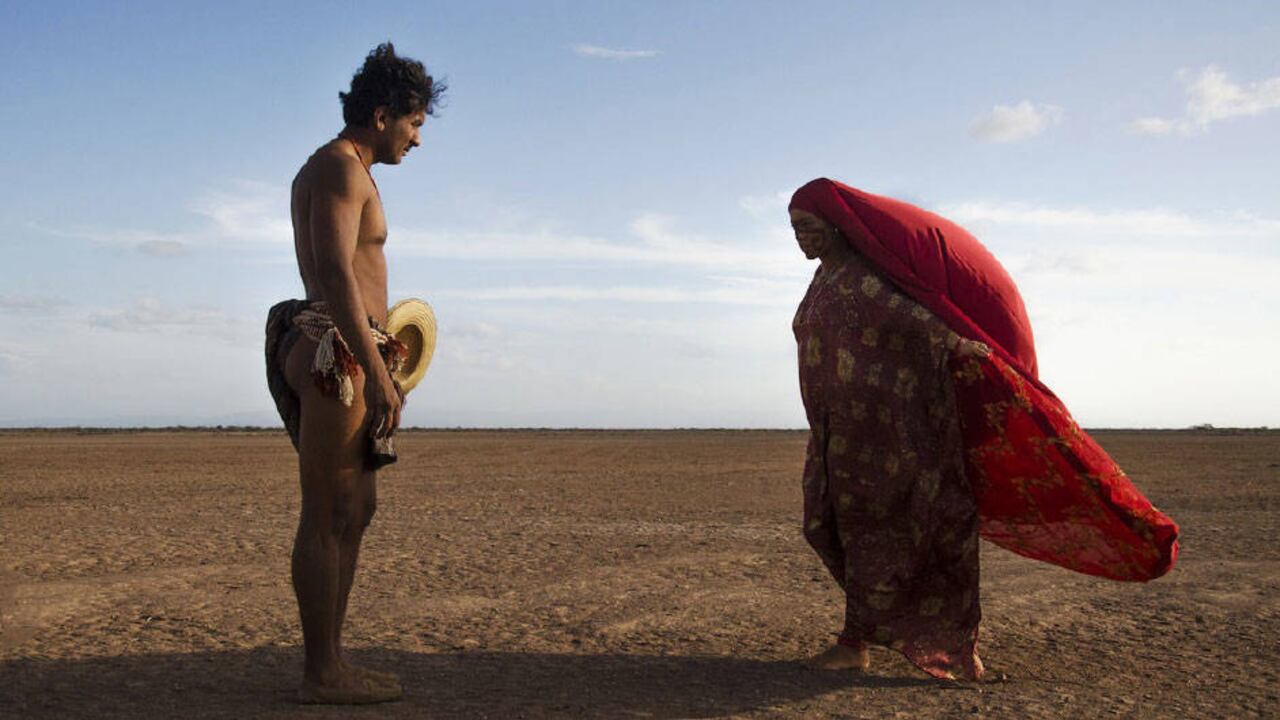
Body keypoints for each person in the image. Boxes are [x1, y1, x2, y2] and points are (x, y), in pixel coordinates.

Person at [788, 178, 1179, 681]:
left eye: (807, 227)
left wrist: (962, 347)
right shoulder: (823, 282)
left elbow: (918, 323)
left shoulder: (865, 279)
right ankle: (859, 639)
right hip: (838, 441)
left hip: (893, 440)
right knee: (832, 528)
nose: (800, 238)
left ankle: (936, 645)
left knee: (909, 536)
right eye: (794, 230)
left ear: (836, 225)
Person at [264, 42, 444, 704]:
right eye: (415, 123)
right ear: (380, 114)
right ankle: (322, 671)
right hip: (337, 353)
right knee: (328, 510)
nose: (417, 139)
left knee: (355, 508)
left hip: (341, 343)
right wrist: (376, 369)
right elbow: (338, 272)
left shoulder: (337, 168)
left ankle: (332, 659)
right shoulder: (342, 170)